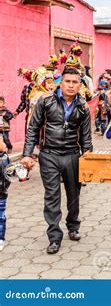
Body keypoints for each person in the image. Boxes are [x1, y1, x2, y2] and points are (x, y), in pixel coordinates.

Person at [20, 64, 92, 254]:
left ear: (79, 85)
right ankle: (54, 237)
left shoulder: (83, 107)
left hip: (72, 155)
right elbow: (33, 129)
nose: (70, 85)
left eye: (74, 82)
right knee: (52, 196)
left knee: (74, 195)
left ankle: (73, 226)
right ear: (61, 83)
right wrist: (27, 154)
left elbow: (86, 138)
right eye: (67, 81)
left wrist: (89, 159)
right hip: (49, 155)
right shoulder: (45, 102)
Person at [0, 136, 10, 251]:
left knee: (1, 217)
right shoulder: (5, 157)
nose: (5, 144)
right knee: (1, 217)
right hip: (2, 192)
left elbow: (8, 173)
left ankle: (1, 239)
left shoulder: (5, 158)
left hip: (2, 193)